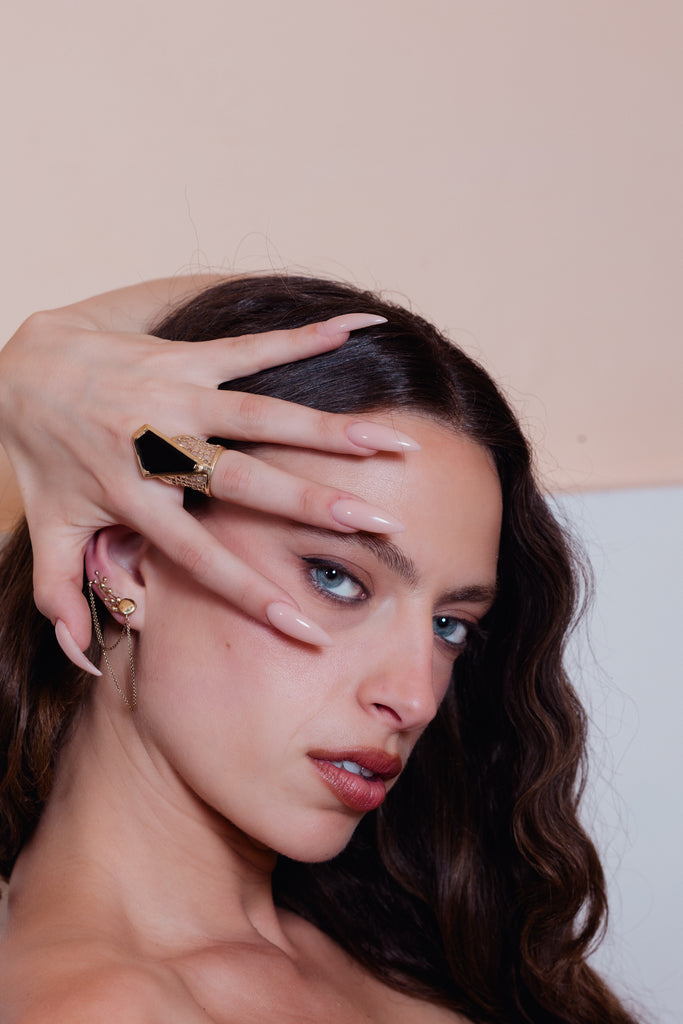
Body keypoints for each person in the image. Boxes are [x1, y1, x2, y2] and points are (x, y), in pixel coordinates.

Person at [0, 274, 639, 1023]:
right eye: (336, 577)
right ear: (130, 561)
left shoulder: (413, 944)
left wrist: (34, 366)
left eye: (450, 626)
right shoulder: (100, 1007)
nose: (414, 698)